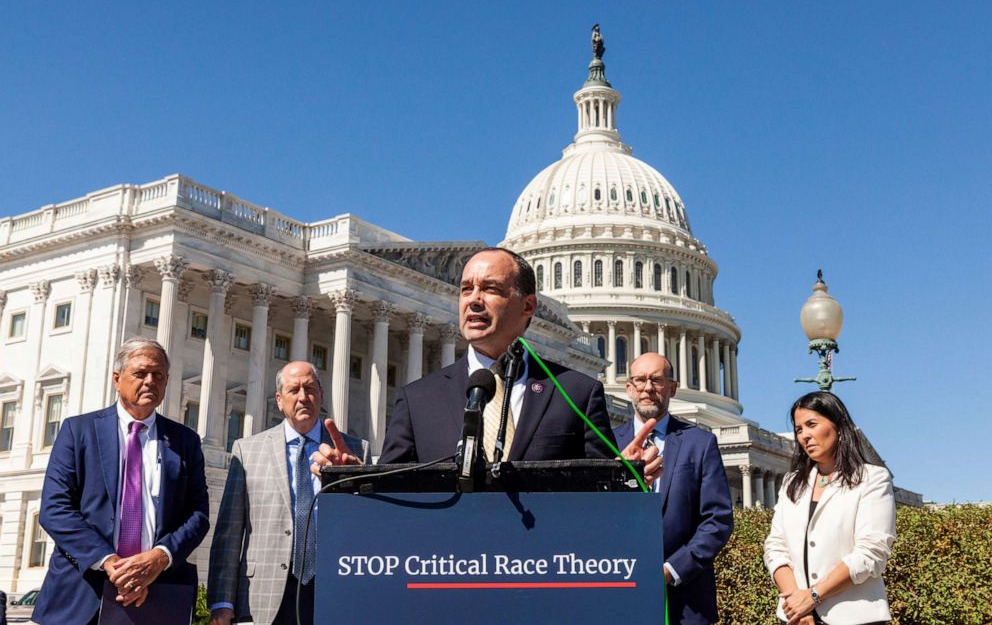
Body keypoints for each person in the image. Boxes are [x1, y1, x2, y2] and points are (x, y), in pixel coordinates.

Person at [368, 247, 659, 469]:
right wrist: (350, 482)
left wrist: (623, 475)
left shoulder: (576, 394)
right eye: (466, 289)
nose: (474, 299)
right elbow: (390, 492)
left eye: (490, 289)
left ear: (528, 305)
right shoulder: (418, 399)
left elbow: (601, 498)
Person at [33, 337, 209, 624]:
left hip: (160, 594)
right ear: (117, 379)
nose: (150, 381)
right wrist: (111, 563)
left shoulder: (185, 441)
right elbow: (55, 509)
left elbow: (198, 514)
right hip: (82, 594)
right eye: (140, 373)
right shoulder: (79, 432)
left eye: (159, 375)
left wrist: (160, 557)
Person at [208, 361, 371, 625]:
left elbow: (369, 526)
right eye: (294, 390)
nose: (303, 397)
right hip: (264, 594)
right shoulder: (247, 451)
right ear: (279, 400)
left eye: (310, 389)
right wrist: (221, 601)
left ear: (321, 395)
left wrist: (353, 478)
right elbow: (229, 532)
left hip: (333, 587)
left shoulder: (354, 451)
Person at [613, 352, 734, 625]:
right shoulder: (608, 443)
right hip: (621, 593)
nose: (648, 388)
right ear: (629, 388)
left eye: (656, 380)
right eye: (640, 380)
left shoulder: (700, 443)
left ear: (672, 387)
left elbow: (718, 520)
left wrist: (671, 569)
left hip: (686, 600)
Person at [763, 391, 896, 625]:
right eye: (799, 429)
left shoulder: (872, 479)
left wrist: (812, 596)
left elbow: (872, 552)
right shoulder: (792, 483)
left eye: (811, 425)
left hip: (855, 618)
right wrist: (798, 605)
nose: (804, 436)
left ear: (838, 426)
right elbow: (775, 546)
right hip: (797, 618)